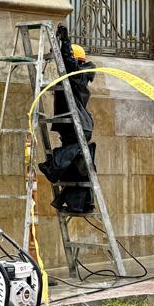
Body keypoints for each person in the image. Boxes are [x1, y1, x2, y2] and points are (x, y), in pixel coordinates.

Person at [39, 24, 97, 214]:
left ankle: (52, 166)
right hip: (72, 125)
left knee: (73, 158)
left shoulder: (78, 76)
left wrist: (65, 42)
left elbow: (69, 64)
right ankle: (78, 203)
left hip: (77, 125)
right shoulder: (76, 78)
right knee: (78, 167)